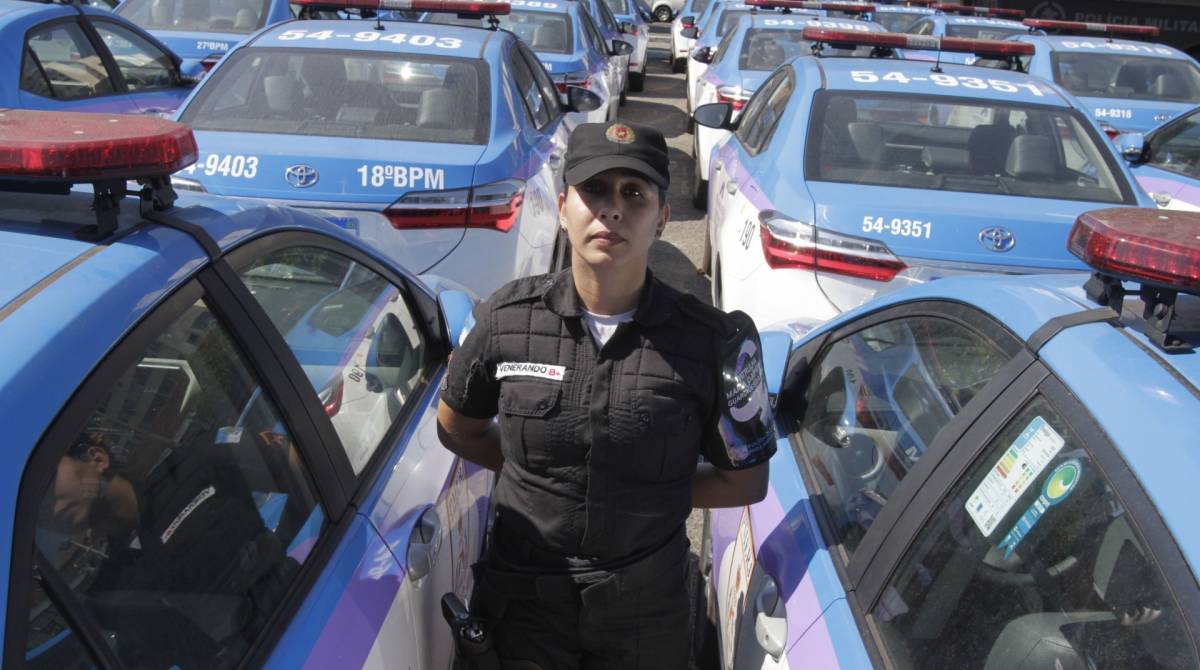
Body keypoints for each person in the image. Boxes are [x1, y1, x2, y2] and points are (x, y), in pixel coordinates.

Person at [437, 119, 775, 669]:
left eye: (634, 194)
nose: (612, 209)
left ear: (662, 219)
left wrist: (646, 494)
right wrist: (536, 477)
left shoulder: (713, 341)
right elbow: (457, 426)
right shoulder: (506, 318)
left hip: (645, 613)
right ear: (564, 204)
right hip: (522, 607)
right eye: (595, 189)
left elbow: (746, 479)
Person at [46, 431, 296, 667]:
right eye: (37, 518)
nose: (49, 512)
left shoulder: (196, 465)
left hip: (303, 610)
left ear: (96, 459)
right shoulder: (111, 593)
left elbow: (302, 463)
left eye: (47, 487)